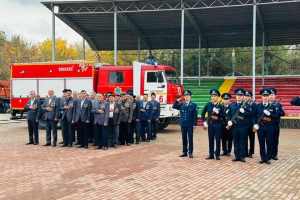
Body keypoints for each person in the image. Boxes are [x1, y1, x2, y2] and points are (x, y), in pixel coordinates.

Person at [253, 89, 278, 164]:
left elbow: (276, 116)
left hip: (269, 127)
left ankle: (268, 158)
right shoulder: (258, 106)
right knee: (261, 143)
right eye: (264, 96)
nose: (265, 97)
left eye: (267, 96)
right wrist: (254, 124)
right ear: (261, 97)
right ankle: (263, 158)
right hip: (260, 127)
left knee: (269, 142)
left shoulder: (272, 106)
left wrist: (270, 114)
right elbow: (254, 115)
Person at [226, 88, 252, 163]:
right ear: (236, 96)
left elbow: (250, 114)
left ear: (243, 96)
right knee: (236, 141)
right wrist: (229, 122)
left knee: (242, 142)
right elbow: (229, 115)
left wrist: (244, 112)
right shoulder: (232, 105)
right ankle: (237, 156)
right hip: (234, 126)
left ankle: (242, 156)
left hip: (243, 126)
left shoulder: (246, 105)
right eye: (238, 95)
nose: (239, 96)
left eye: (241, 95)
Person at [201, 89, 225, 160]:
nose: (213, 97)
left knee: (218, 140)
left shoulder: (220, 106)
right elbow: (202, 114)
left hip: (218, 125)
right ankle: (211, 154)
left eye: (215, 96)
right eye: (212, 96)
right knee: (211, 139)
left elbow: (224, 116)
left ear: (217, 97)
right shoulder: (208, 105)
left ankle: (217, 154)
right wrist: (204, 122)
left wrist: (217, 112)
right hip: (210, 125)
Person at [173, 90, 197, 158]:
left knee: (190, 139)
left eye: (188, 96)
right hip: (183, 124)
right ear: (183, 97)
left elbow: (195, 115)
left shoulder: (193, 105)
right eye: (185, 96)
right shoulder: (181, 104)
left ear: (190, 96)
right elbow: (174, 106)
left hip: (190, 124)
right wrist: (178, 100)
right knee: (184, 138)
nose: (187, 97)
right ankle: (184, 152)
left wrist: (195, 124)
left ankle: (190, 152)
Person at [269, 87, 285, 160]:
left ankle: (274, 154)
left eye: (273, 94)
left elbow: (283, 113)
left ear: (275, 96)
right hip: (268, 125)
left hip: (275, 125)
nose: (271, 96)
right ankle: (268, 154)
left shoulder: (279, 105)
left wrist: (276, 110)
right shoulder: (266, 105)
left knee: (275, 140)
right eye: (270, 94)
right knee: (269, 140)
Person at [244, 90, 256, 158]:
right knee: (244, 139)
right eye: (245, 96)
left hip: (251, 124)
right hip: (244, 124)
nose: (246, 97)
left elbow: (254, 114)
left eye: (248, 96)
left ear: (250, 97)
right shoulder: (242, 104)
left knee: (251, 139)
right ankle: (245, 152)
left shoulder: (253, 105)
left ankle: (251, 152)